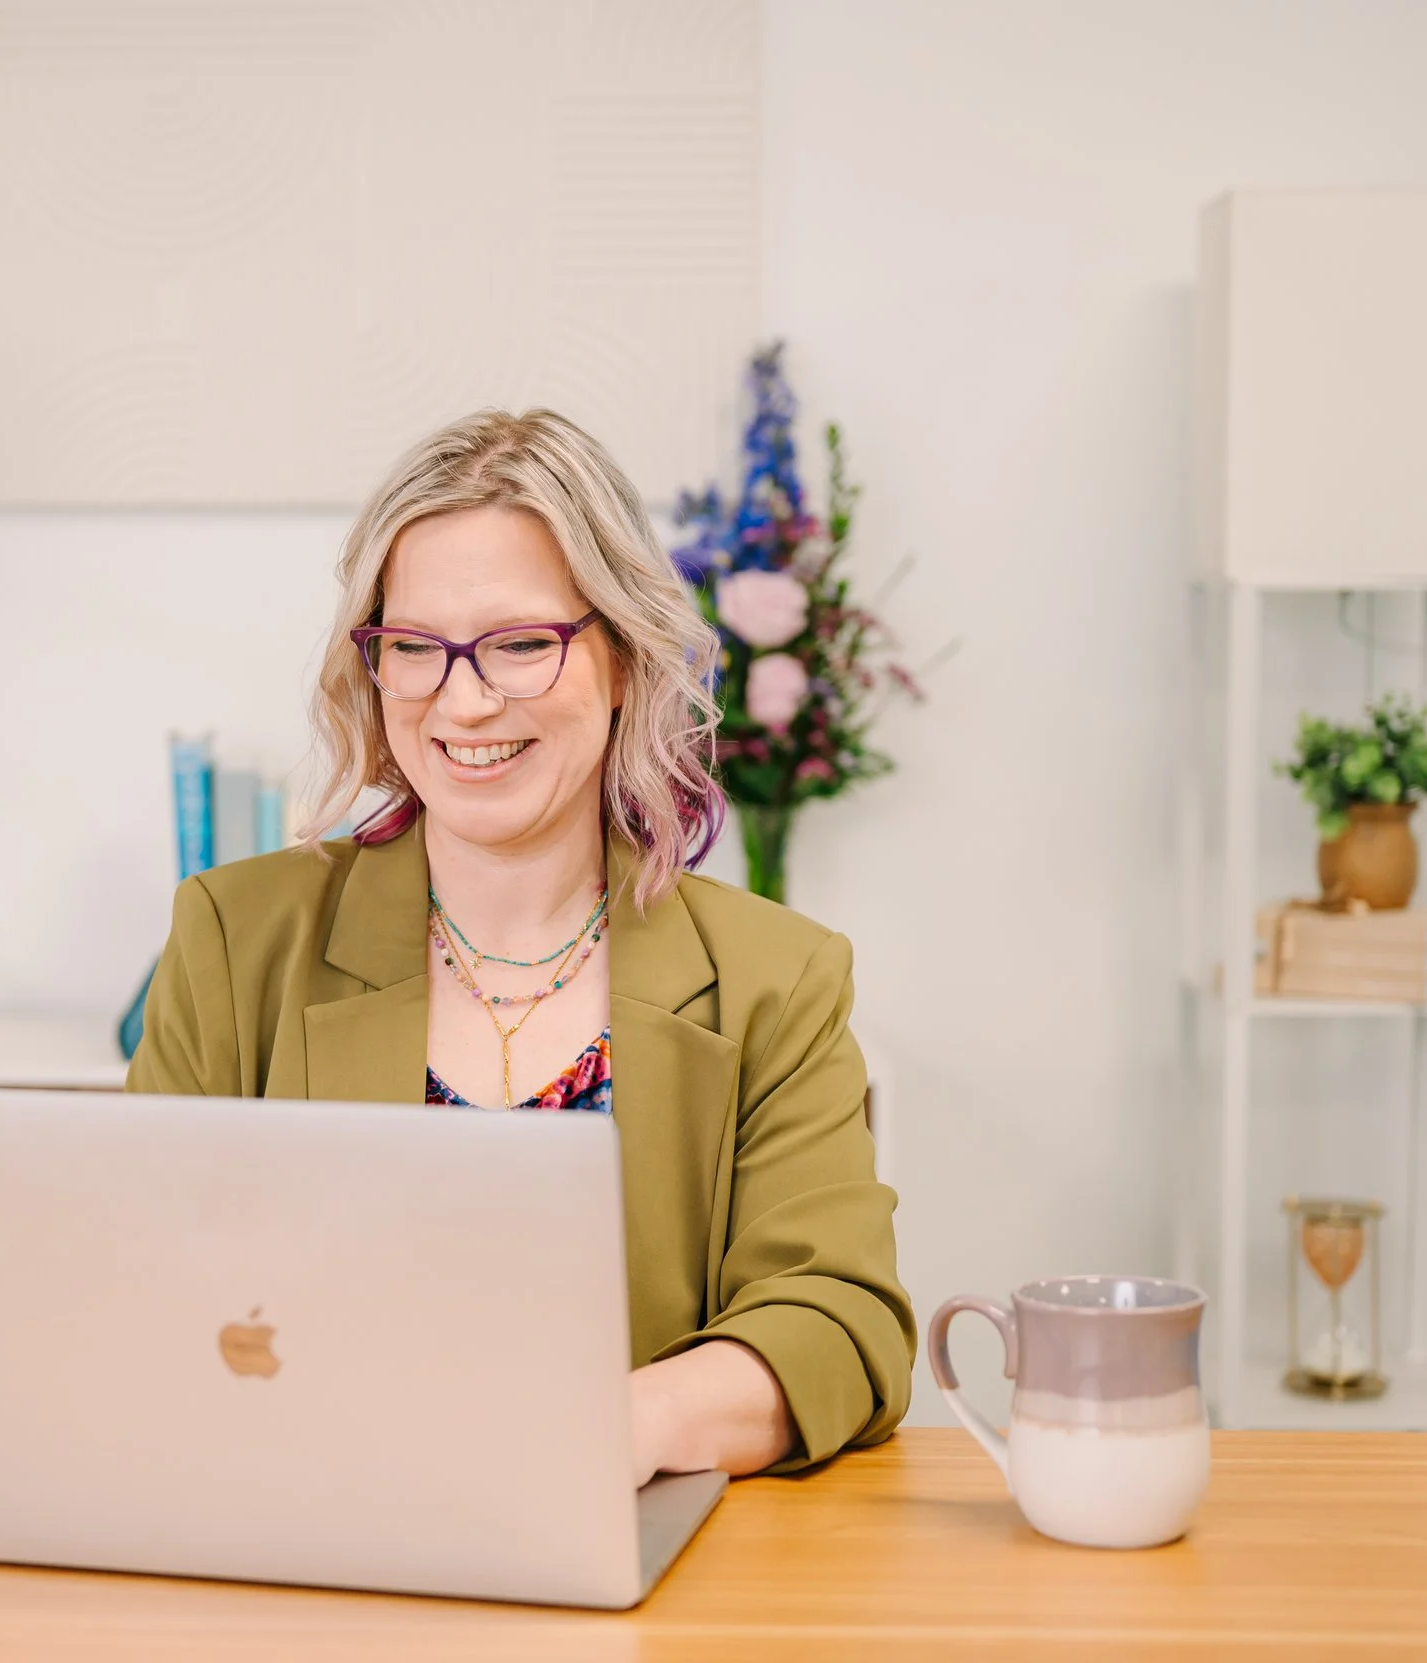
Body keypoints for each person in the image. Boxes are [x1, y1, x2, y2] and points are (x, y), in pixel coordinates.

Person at [127, 409, 913, 1481]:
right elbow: (135, 1287)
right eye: (415, 648)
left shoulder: (777, 978)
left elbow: (836, 1323)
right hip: (307, 1534)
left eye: (519, 643)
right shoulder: (233, 937)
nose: (464, 699)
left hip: (624, 1567)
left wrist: (608, 1427)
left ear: (627, 658)